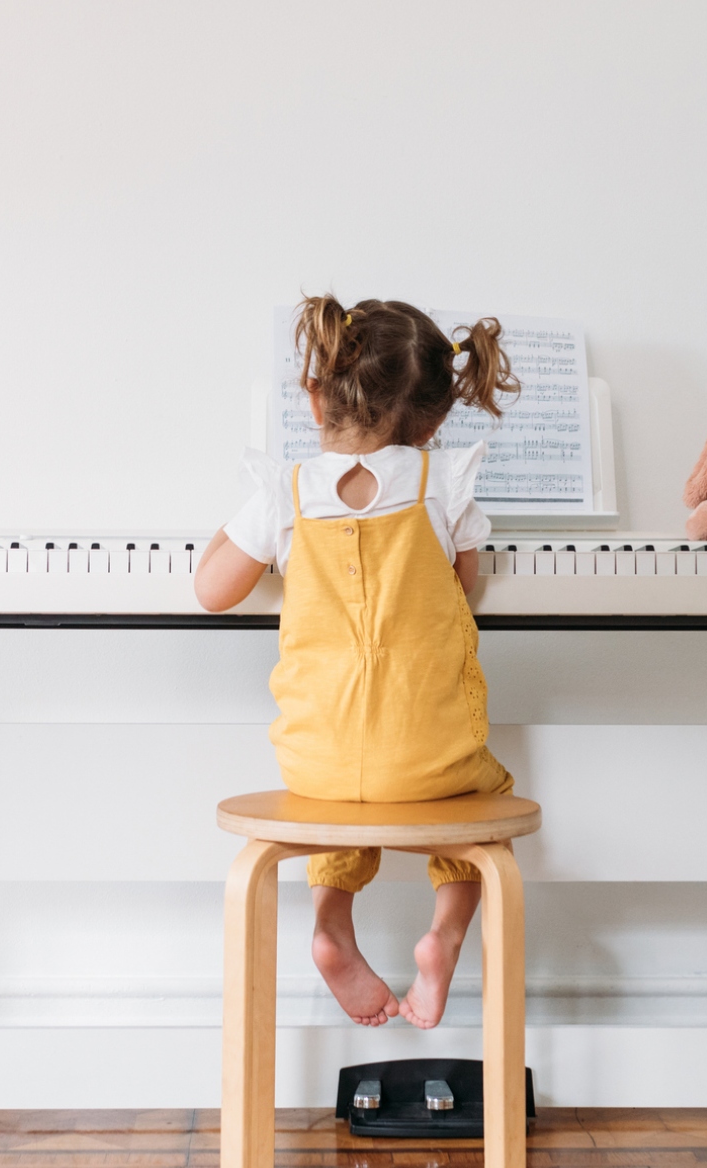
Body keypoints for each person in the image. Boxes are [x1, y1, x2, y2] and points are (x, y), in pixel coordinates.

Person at [195, 295, 518, 1028]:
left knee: (339, 797)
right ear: (435, 421)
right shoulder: (443, 485)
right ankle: (444, 935)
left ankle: (333, 924)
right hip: (429, 761)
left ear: (315, 396)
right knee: (484, 800)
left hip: (319, 765)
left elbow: (211, 589)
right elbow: (462, 591)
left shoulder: (286, 494)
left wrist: (251, 513)